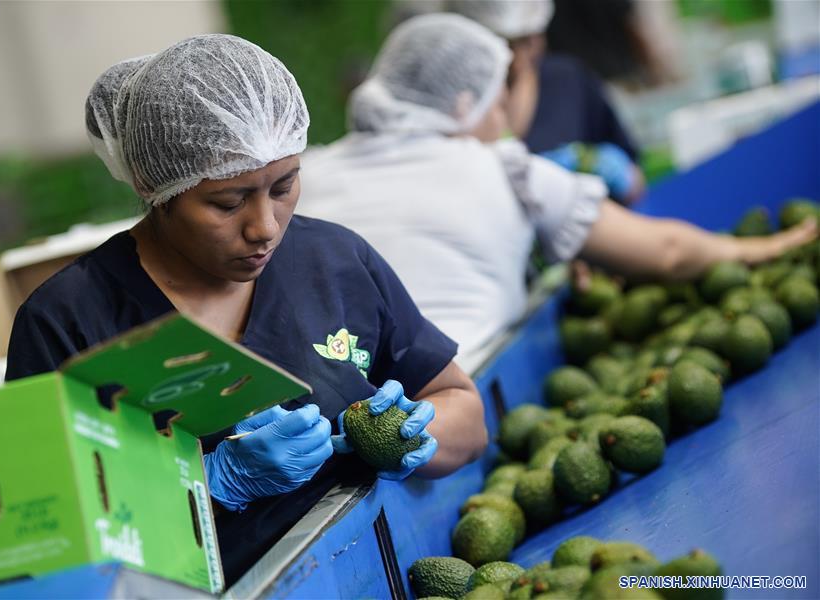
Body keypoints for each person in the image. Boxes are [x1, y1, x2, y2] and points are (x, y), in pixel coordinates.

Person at [5, 34, 486, 585]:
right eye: (227, 203)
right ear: (152, 186)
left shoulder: (334, 261)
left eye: (284, 186)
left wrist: (420, 437)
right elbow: (41, 535)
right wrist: (215, 484)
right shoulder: (70, 320)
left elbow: (464, 413)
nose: (264, 228)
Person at [296, 14, 816, 368]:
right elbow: (668, 252)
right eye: (499, 103)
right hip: (454, 403)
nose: (504, 121)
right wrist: (766, 248)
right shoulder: (503, 168)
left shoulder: (311, 174)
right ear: (462, 104)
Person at [447, 0, 645, 204]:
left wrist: (604, 166)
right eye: (510, 43)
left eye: (529, 38)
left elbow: (635, 179)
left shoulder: (566, 79)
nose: (522, 55)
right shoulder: (457, 108)